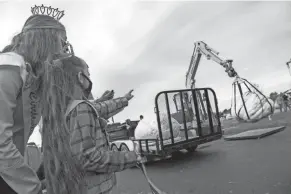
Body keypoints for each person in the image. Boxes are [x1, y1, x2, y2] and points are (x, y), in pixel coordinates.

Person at [40, 55, 143, 194]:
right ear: (81, 77)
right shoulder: (80, 108)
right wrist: (131, 156)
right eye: (88, 74)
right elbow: (88, 158)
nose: (90, 77)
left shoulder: (60, 109)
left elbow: (99, 108)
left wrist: (123, 100)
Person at [0, 5, 69, 194]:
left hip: (7, 170)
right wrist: (31, 186)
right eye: (61, 42)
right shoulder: (8, 67)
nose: (64, 51)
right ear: (44, 40)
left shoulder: (34, 76)